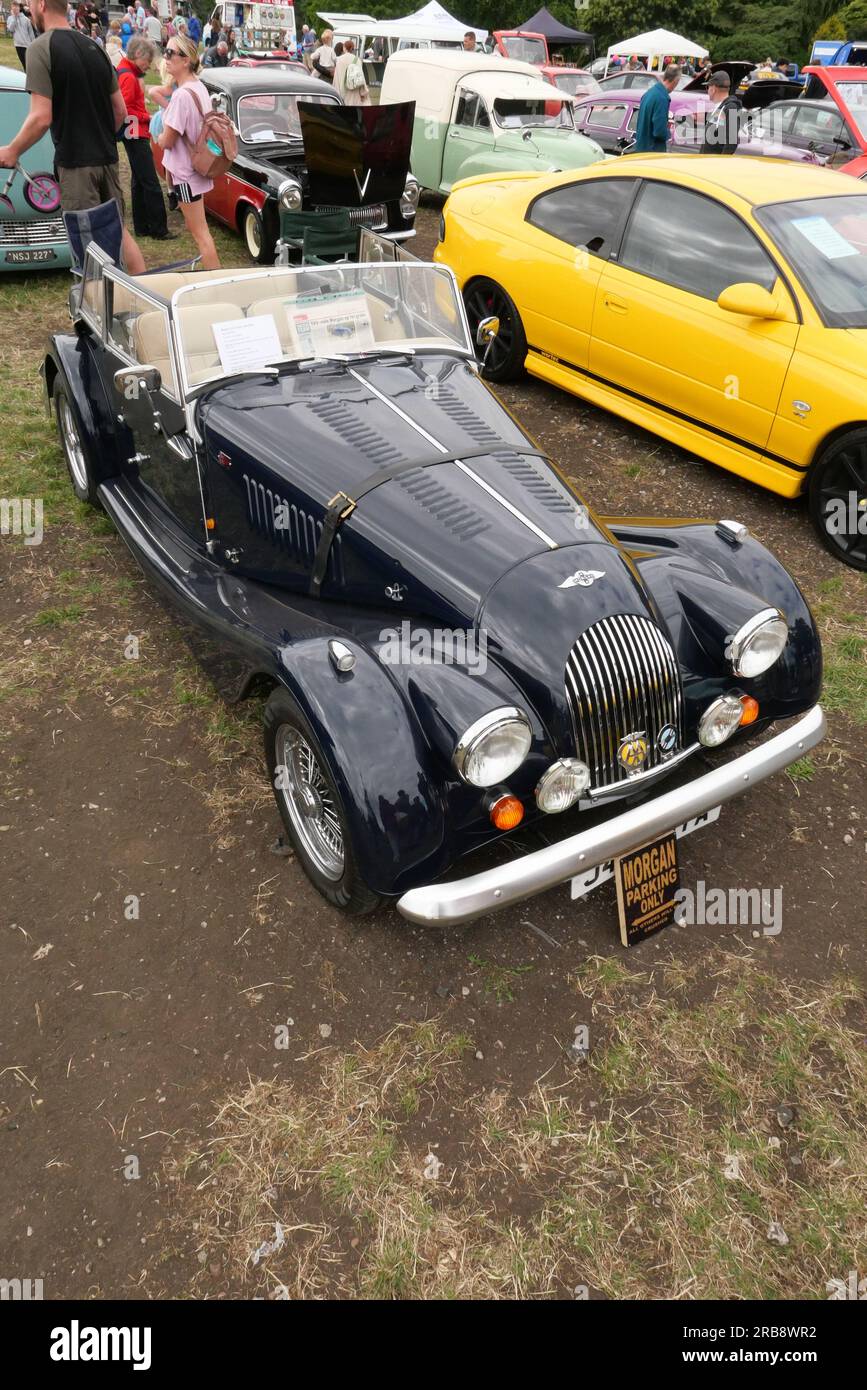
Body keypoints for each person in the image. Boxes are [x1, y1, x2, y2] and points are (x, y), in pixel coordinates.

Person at [0, 0, 145, 272]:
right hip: (107, 159)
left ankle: (97, 311)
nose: (30, 10)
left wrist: (12, 150)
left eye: (31, 4)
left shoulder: (40, 49)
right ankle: (146, 298)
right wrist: (100, 138)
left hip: (77, 165)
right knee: (119, 233)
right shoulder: (96, 48)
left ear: (41, 4)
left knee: (88, 249)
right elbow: (120, 111)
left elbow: (41, 116)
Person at [156, 32, 219, 269]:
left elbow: (168, 141)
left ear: (186, 60)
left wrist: (159, 136)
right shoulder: (197, 86)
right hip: (195, 170)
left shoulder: (182, 95)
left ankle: (216, 285)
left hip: (185, 175)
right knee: (202, 232)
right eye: (166, 51)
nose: (166, 57)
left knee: (201, 235)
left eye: (171, 53)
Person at [117, 35, 171, 238]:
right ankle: (159, 229)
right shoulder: (128, 77)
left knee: (139, 181)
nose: (147, 68)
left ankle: (141, 226)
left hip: (133, 134)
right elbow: (124, 109)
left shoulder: (125, 71)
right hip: (135, 134)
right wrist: (147, 117)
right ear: (138, 54)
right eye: (147, 62)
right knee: (150, 182)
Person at [632, 63, 679, 153]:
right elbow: (659, 132)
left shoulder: (649, 93)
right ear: (675, 81)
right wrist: (669, 132)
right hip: (652, 152)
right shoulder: (662, 98)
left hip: (641, 148)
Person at [700, 70, 742, 154]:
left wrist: (721, 163)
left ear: (713, 89)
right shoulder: (720, 107)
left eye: (708, 87)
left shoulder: (731, 108)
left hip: (715, 165)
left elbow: (732, 143)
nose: (707, 91)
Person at [334, 36, 369, 105]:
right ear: (352, 49)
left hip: (342, 91)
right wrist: (363, 92)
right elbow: (361, 77)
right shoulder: (357, 60)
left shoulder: (339, 59)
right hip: (354, 91)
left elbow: (336, 77)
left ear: (344, 48)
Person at [9, 2, 36, 68]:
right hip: (18, 45)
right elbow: (11, 29)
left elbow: (31, 33)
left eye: (16, 7)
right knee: (24, 64)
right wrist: (15, 18)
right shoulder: (10, 18)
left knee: (29, 64)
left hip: (27, 45)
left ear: (19, 8)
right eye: (13, 7)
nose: (14, 8)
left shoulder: (26, 20)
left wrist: (34, 44)